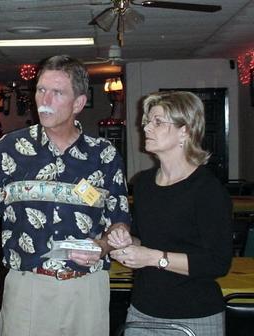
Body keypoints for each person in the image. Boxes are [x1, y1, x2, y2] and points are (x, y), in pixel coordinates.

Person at [0, 55, 131, 336]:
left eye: (57, 92)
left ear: (78, 103)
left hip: (87, 290)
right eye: (41, 90)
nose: (45, 99)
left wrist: (104, 245)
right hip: (28, 287)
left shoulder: (103, 155)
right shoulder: (10, 149)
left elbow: (119, 221)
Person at [108, 91, 233, 335]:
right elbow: (145, 240)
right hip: (142, 310)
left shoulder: (206, 189)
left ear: (185, 131)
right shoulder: (143, 183)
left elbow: (217, 263)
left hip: (193, 316)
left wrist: (153, 258)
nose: (146, 128)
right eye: (147, 121)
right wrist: (124, 242)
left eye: (157, 122)